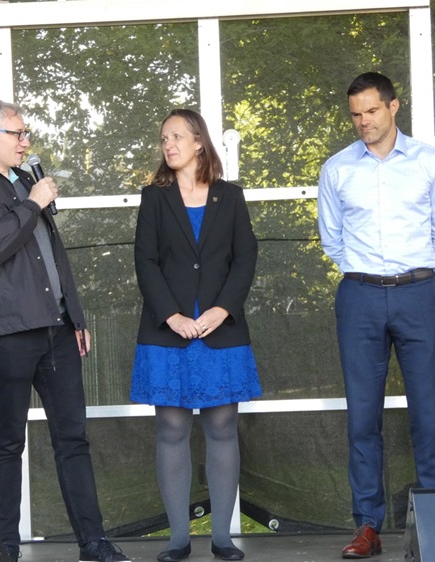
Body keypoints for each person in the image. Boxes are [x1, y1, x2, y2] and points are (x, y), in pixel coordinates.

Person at [0, 100, 130, 562]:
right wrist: (31, 204)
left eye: (26, 134)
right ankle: (5, 548)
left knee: (73, 437)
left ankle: (93, 542)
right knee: (8, 440)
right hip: (6, 329)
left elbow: (53, 255)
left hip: (56, 327)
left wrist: (76, 316)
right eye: (18, 133)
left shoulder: (25, 181)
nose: (26, 142)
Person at [317, 72, 435, 559]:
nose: (364, 121)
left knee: (427, 414)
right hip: (359, 297)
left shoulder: (429, 162)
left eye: (372, 111)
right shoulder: (337, 169)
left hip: (418, 295)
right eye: (356, 114)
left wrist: (415, 275)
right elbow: (332, 238)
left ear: (393, 107)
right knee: (362, 418)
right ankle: (368, 527)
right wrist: (367, 276)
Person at [130, 109, 262, 562]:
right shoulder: (154, 197)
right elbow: (145, 261)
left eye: (177, 136)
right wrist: (171, 316)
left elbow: (245, 257)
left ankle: (222, 538)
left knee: (222, 427)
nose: (168, 144)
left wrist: (222, 309)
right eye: (164, 138)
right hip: (168, 332)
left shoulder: (231, 196)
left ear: (199, 142)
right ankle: (178, 540)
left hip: (221, 331)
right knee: (171, 428)